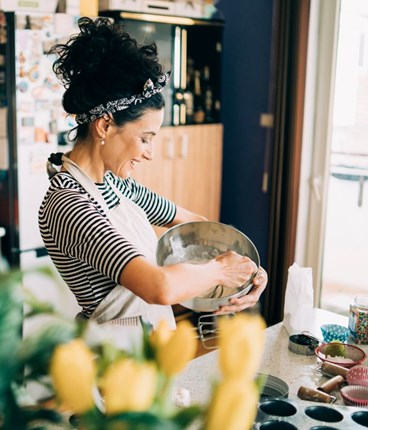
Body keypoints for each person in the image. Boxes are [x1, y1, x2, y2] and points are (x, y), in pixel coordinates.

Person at [38, 17, 268, 331]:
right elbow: (158, 287)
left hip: (151, 346)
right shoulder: (68, 205)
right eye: (144, 138)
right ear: (105, 125)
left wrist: (249, 271)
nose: (150, 152)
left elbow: (196, 226)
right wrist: (219, 271)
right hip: (111, 359)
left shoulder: (118, 185)